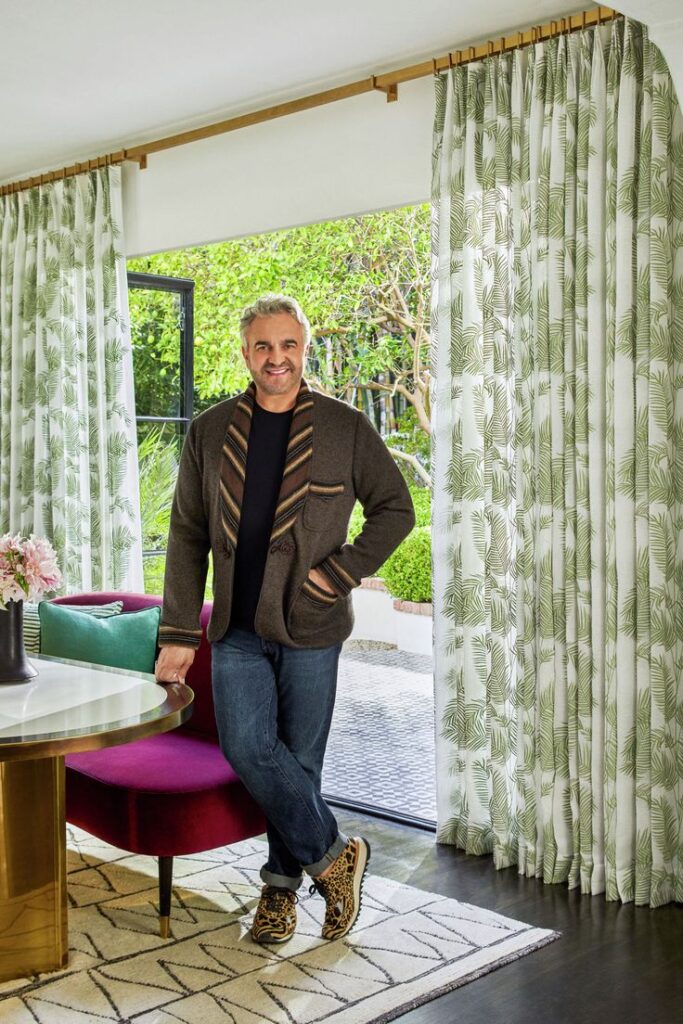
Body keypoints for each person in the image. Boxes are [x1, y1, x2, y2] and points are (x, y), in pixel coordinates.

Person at [155, 294, 415, 944]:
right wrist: (178, 634)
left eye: (288, 345)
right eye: (263, 347)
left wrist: (338, 572)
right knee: (248, 748)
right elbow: (187, 533)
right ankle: (334, 859)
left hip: (312, 628)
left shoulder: (344, 427)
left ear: (303, 348)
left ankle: (278, 888)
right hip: (235, 630)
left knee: (300, 763)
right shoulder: (210, 431)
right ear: (245, 354)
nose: (277, 358)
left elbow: (394, 508)